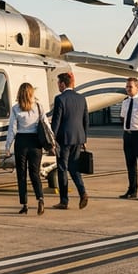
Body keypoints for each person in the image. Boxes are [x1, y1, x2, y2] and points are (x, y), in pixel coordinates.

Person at [4, 82, 46, 215]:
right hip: (35, 143)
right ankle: (40, 198)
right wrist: (52, 142)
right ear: (31, 93)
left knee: (21, 174)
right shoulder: (39, 107)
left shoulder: (16, 108)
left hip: (21, 142)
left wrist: (7, 146)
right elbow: (46, 125)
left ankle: (25, 204)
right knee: (35, 173)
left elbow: (12, 129)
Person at [50, 71, 89, 210]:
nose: (58, 86)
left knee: (62, 169)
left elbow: (56, 121)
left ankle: (64, 201)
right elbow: (86, 119)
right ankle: (82, 192)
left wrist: (51, 138)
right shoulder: (81, 98)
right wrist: (84, 138)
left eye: (58, 83)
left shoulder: (60, 99)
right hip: (78, 138)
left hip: (64, 139)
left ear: (62, 84)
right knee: (74, 168)